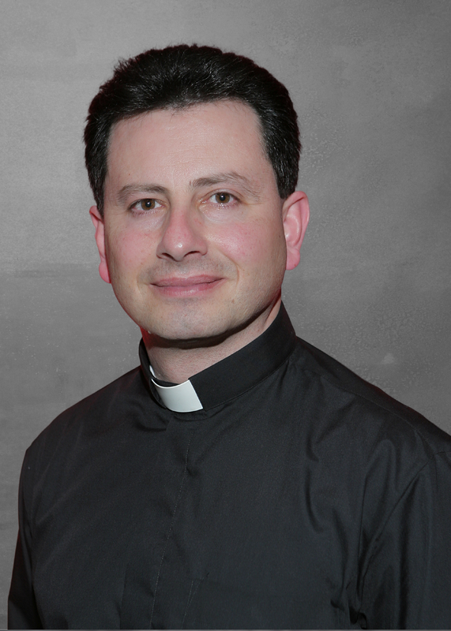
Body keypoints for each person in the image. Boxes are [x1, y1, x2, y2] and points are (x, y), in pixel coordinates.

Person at [8, 44, 451, 630]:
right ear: (102, 241)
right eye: (145, 203)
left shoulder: (408, 478)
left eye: (221, 198)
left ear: (290, 229)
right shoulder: (54, 462)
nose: (178, 241)